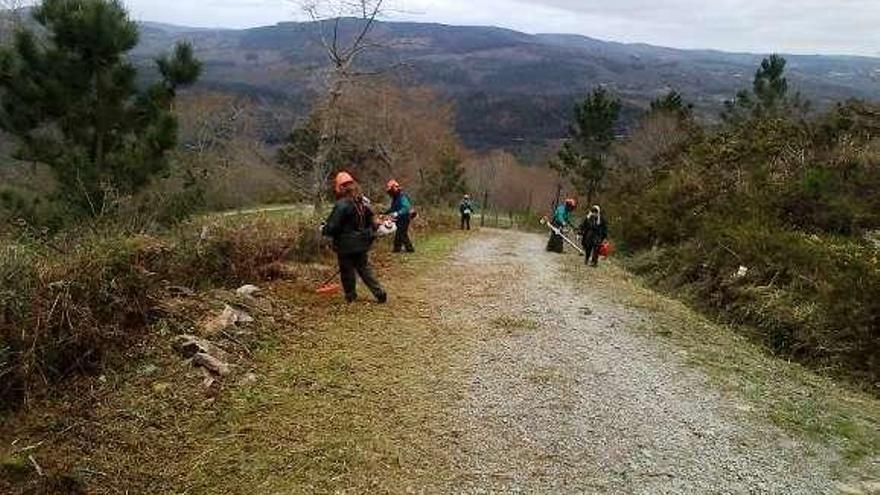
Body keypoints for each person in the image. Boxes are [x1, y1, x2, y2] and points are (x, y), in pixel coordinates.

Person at [322, 172, 387, 304]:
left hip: (345, 245)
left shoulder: (341, 205)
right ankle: (379, 293)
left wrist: (324, 229)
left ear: (340, 188)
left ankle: (351, 296)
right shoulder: (362, 202)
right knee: (364, 269)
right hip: (362, 242)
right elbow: (372, 221)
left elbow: (333, 227)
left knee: (347, 272)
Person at [385, 179, 415, 253]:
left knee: (400, 234)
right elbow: (393, 208)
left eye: (391, 191)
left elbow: (406, 207)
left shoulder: (402, 196)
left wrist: (397, 213)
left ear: (394, 189)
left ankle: (397, 249)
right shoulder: (395, 197)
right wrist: (385, 213)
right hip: (399, 218)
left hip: (404, 217)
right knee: (402, 234)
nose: (390, 193)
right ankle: (408, 249)